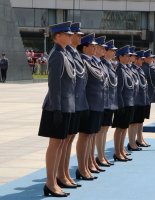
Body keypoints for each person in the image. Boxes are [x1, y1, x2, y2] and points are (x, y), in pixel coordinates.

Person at [38, 21, 75, 197]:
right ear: (58, 36)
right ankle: (50, 183)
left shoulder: (64, 53)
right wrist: (58, 109)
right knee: (55, 145)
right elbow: (54, 86)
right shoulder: (57, 55)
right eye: (67, 34)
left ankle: (55, 180)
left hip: (65, 106)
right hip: (56, 107)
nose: (70, 36)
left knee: (60, 144)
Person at [56, 22, 85, 189]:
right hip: (67, 102)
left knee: (69, 140)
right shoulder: (64, 53)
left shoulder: (73, 53)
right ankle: (61, 174)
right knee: (64, 141)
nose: (78, 37)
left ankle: (64, 172)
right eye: (76, 35)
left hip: (75, 102)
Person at [76, 33, 104, 180]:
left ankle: (87, 164)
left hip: (97, 104)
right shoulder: (83, 61)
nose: (95, 48)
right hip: (88, 104)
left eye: (95, 46)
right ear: (85, 47)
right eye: (92, 46)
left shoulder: (93, 61)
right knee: (85, 136)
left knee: (91, 136)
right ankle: (82, 168)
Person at [95, 39, 118, 167]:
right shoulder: (103, 63)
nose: (114, 53)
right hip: (103, 101)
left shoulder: (109, 64)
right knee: (100, 130)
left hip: (109, 101)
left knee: (104, 129)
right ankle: (99, 155)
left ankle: (102, 155)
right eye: (111, 50)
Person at [112, 45, 135, 162]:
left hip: (129, 102)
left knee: (124, 128)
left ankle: (121, 150)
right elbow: (119, 90)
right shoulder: (120, 70)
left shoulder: (126, 68)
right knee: (120, 129)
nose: (128, 58)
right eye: (126, 56)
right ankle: (117, 152)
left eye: (128, 56)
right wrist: (121, 105)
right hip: (123, 104)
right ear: (120, 57)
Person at [127, 49, 150, 151]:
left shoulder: (139, 69)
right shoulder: (133, 69)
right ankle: (132, 143)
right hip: (136, 100)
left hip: (141, 100)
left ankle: (139, 140)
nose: (142, 61)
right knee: (133, 123)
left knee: (139, 121)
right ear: (136, 59)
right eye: (141, 59)